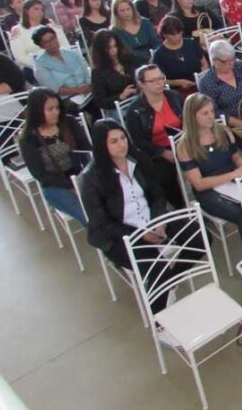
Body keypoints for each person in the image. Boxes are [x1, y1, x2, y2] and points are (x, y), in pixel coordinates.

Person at [81, 118, 206, 330]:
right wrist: (140, 234)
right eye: (114, 141)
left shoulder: (137, 159)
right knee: (158, 268)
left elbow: (157, 194)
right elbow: (102, 223)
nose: (121, 144)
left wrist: (159, 221)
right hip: (119, 235)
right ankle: (159, 323)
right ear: (102, 146)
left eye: (123, 138)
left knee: (200, 236)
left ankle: (170, 282)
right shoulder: (92, 178)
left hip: (152, 221)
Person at [176, 93, 242, 287]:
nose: (210, 117)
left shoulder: (223, 132)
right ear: (192, 116)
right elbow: (199, 183)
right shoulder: (185, 146)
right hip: (209, 191)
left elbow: (235, 157)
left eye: (212, 111)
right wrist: (233, 174)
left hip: (232, 182)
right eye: (204, 113)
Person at [19, 88, 88, 224]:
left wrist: (86, 177)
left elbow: (86, 151)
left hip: (81, 174)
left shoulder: (69, 122)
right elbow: (40, 174)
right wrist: (71, 185)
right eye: (50, 109)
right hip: (54, 185)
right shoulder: (28, 138)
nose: (56, 112)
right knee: (86, 214)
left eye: (57, 108)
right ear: (37, 111)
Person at [124, 64, 184, 208]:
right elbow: (138, 141)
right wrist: (162, 152)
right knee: (164, 175)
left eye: (161, 78)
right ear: (141, 84)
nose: (159, 83)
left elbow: (187, 119)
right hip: (156, 151)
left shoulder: (174, 96)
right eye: (153, 80)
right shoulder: (135, 111)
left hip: (182, 141)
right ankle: (181, 206)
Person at [197, 40, 242, 165]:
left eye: (232, 59)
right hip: (232, 123)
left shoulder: (241, 67)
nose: (231, 64)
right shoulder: (207, 83)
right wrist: (240, 123)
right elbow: (214, 111)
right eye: (226, 61)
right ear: (214, 60)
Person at [11, 0, 69, 81]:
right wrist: (43, 65)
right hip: (34, 68)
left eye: (42, 9)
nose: (40, 12)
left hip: (59, 62)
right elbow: (20, 57)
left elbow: (65, 46)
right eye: (36, 9)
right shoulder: (17, 30)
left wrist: (58, 61)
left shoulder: (50, 26)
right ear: (27, 11)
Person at [32, 26, 91, 103]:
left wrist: (88, 86)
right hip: (66, 99)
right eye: (46, 42)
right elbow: (54, 89)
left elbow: (86, 72)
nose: (52, 43)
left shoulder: (72, 54)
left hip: (88, 92)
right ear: (41, 46)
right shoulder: (40, 64)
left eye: (52, 38)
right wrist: (78, 91)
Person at [152, 16, 208, 96]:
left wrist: (202, 76)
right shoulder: (159, 54)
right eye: (173, 35)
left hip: (200, 85)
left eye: (179, 33)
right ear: (164, 34)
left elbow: (204, 63)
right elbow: (160, 79)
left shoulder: (191, 43)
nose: (178, 37)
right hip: (178, 91)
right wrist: (178, 82)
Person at [90, 29, 139, 115]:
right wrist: (121, 96)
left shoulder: (130, 59)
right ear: (101, 50)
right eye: (108, 48)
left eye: (115, 46)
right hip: (117, 108)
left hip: (138, 99)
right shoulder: (98, 73)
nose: (114, 51)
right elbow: (100, 101)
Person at [110, 0, 160, 64]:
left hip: (153, 59)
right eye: (122, 11)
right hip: (131, 62)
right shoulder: (115, 30)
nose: (126, 13)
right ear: (116, 13)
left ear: (133, 9)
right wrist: (147, 58)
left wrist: (154, 56)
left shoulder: (145, 23)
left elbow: (156, 43)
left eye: (128, 9)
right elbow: (127, 51)